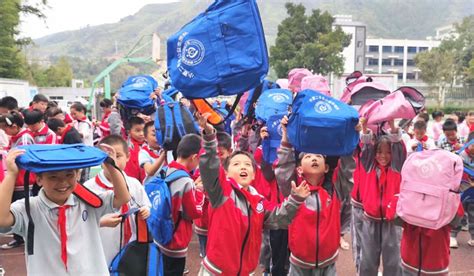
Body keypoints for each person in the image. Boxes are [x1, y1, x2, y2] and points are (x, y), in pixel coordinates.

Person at [197, 113, 310, 275]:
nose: (243, 167)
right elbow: (209, 168)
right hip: (216, 271)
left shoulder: (258, 202)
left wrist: (296, 199)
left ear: (254, 173)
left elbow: (279, 217)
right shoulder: (221, 193)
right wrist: (209, 136)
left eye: (247, 165)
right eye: (236, 164)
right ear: (227, 172)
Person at [0, 144, 130, 275]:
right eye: (53, 177)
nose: (63, 182)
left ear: (78, 175)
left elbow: (123, 198)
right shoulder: (28, 208)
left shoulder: (88, 202)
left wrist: (112, 167)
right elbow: (2, 219)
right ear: (39, 179)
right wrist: (11, 175)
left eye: (69, 175)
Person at [275, 115, 341, 276]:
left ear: (326, 168)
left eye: (318, 156)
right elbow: (283, 168)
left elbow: (347, 169)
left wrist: (346, 135)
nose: (314, 158)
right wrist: (285, 134)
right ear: (299, 169)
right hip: (299, 264)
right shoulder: (294, 190)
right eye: (308, 156)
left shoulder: (333, 191)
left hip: (328, 263)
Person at [84, 135, 151, 265]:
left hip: (132, 246)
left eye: (118, 156)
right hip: (103, 246)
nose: (113, 161)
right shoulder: (89, 187)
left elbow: (146, 204)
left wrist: (146, 210)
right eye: (108, 158)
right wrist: (101, 222)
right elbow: (83, 221)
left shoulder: (134, 184)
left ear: (128, 156)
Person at [358, 119, 405, 276]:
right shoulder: (370, 166)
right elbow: (366, 150)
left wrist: (392, 127)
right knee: (367, 262)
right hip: (370, 220)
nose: (383, 156)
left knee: (393, 262)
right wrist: (364, 128)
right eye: (379, 152)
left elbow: (399, 149)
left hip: (392, 222)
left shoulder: (396, 167)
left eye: (388, 152)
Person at [157, 134, 205, 276]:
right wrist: (200, 192)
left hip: (161, 233)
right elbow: (193, 212)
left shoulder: (166, 170)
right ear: (194, 157)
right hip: (176, 238)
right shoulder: (185, 181)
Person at [0, 112, 34, 250]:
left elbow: (23, 157)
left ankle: (23, 237)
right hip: (16, 179)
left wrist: (6, 155)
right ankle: (19, 237)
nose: (5, 132)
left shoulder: (25, 137)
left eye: (5, 129)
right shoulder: (16, 137)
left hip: (23, 179)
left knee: (23, 208)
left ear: (14, 126)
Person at [450, 131, 474, 248]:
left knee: (473, 215)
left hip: (473, 192)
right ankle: (453, 236)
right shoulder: (460, 155)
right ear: (467, 143)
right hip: (462, 190)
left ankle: (473, 237)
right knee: (459, 213)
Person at [70, 102, 93, 183]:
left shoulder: (86, 124)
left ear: (82, 112)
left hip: (86, 151)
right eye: (71, 114)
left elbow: (84, 134)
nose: (73, 116)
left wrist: (71, 131)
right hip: (79, 151)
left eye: (74, 114)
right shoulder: (76, 122)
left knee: (84, 174)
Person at [123, 117, 146, 182]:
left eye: (143, 130)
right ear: (129, 132)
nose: (141, 134)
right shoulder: (128, 148)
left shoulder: (149, 144)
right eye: (137, 131)